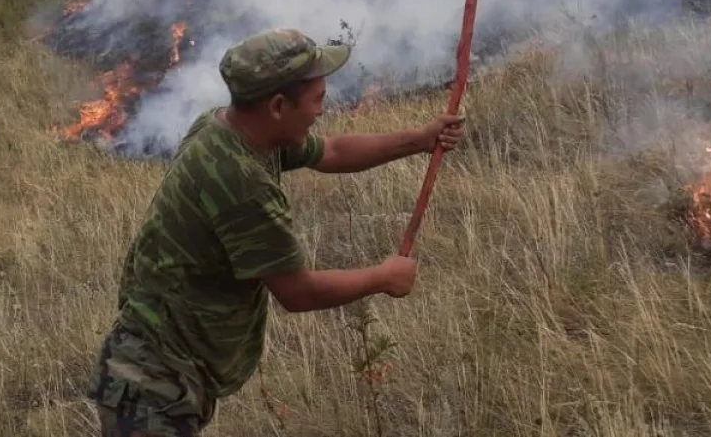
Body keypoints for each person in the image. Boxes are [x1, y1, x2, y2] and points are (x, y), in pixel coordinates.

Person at [86, 28, 466, 436]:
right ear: (279, 106)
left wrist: (420, 139)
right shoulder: (243, 184)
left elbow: (331, 151)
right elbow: (297, 292)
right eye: (317, 99)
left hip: (164, 370)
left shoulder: (224, 128)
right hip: (152, 385)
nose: (322, 110)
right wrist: (383, 277)